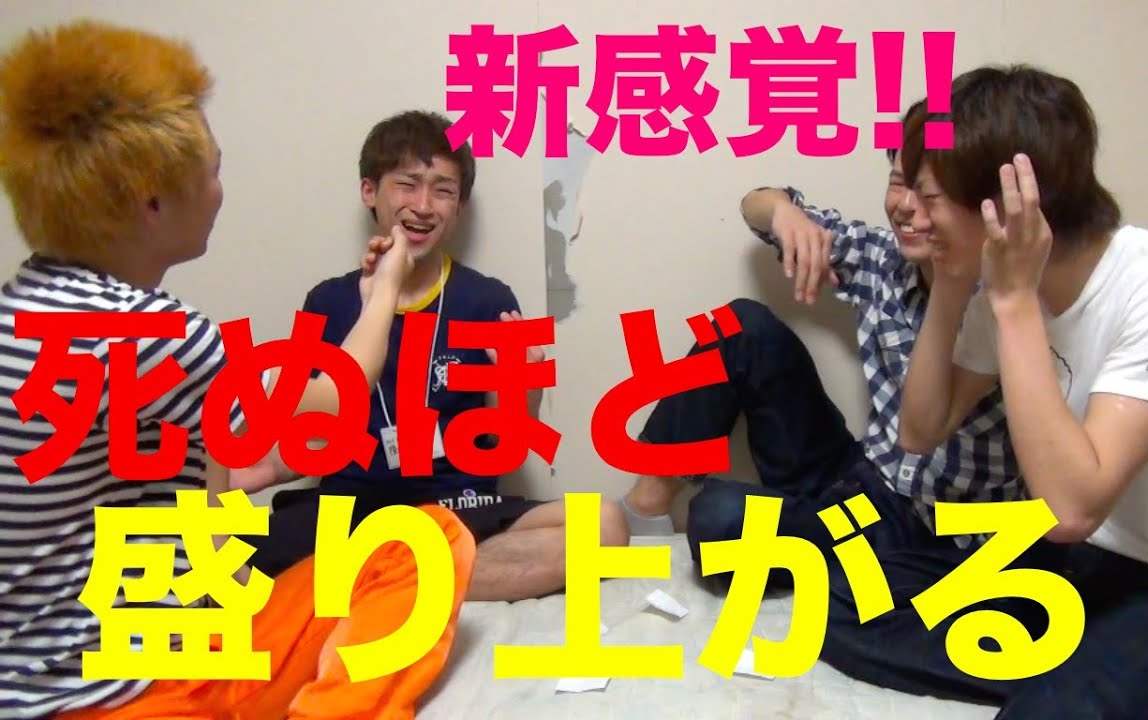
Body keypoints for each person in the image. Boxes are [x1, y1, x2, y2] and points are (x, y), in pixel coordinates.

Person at [0, 20, 476, 720]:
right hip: (142, 688)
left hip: (54, 673)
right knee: (429, 545)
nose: (221, 190)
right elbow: (332, 412)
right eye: (213, 171)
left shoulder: (24, 308)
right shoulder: (154, 333)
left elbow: (228, 467)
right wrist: (383, 293)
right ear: (152, 201)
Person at [822, 63, 1148, 719]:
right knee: (847, 612)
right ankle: (1142, 687)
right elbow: (919, 431)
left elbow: (1072, 507)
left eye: (929, 196)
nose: (908, 213)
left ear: (1009, 203)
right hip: (1077, 561)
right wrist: (951, 285)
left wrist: (1012, 304)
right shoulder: (998, 285)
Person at [621, 97, 1024, 584]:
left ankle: (834, 552)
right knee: (741, 326)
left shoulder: (1009, 302)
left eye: (930, 194)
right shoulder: (885, 259)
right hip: (861, 476)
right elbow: (754, 204)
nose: (906, 206)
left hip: (927, 530)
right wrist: (783, 211)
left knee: (719, 520)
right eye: (899, 183)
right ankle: (645, 508)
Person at [234, 110, 630, 602]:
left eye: (442, 190)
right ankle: (409, 578)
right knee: (214, 553)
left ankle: (381, 582)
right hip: (350, 511)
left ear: (459, 206)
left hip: (456, 507)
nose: (423, 206)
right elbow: (309, 436)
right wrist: (249, 471)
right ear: (369, 191)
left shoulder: (488, 299)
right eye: (407, 184)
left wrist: (524, 390)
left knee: (605, 526)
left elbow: (504, 443)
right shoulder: (327, 301)